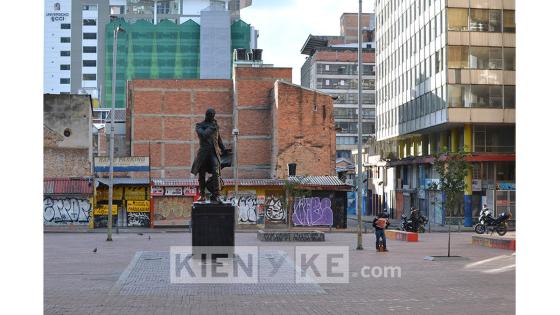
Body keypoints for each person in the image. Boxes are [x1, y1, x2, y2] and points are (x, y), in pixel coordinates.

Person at [191, 108, 226, 202]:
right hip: (203, 153)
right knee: (201, 174)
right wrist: (212, 127)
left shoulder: (214, 126)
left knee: (216, 172)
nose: (211, 117)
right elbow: (204, 135)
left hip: (213, 153)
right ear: (207, 115)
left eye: (213, 115)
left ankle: (217, 195)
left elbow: (218, 140)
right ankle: (202, 195)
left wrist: (224, 149)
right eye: (210, 115)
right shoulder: (199, 125)